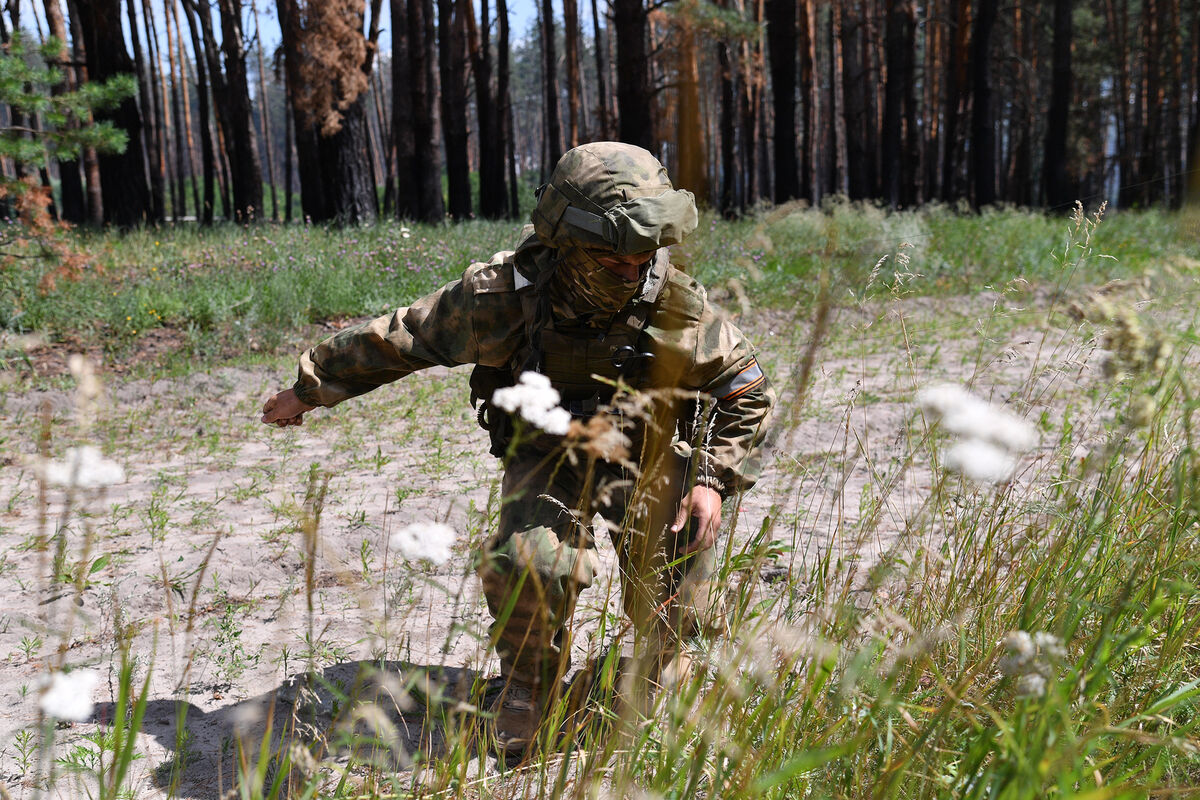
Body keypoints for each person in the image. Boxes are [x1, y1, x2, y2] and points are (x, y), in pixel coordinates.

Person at [261, 142, 774, 759]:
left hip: (647, 452)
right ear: (567, 242)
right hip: (546, 451)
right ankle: (530, 688)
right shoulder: (502, 297)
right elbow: (405, 338)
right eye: (612, 258)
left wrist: (711, 479)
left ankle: (661, 658)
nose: (633, 269)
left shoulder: (674, 305)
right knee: (529, 561)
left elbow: (746, 390)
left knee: (677, 565)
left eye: (645, 254)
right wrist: (309, 387)